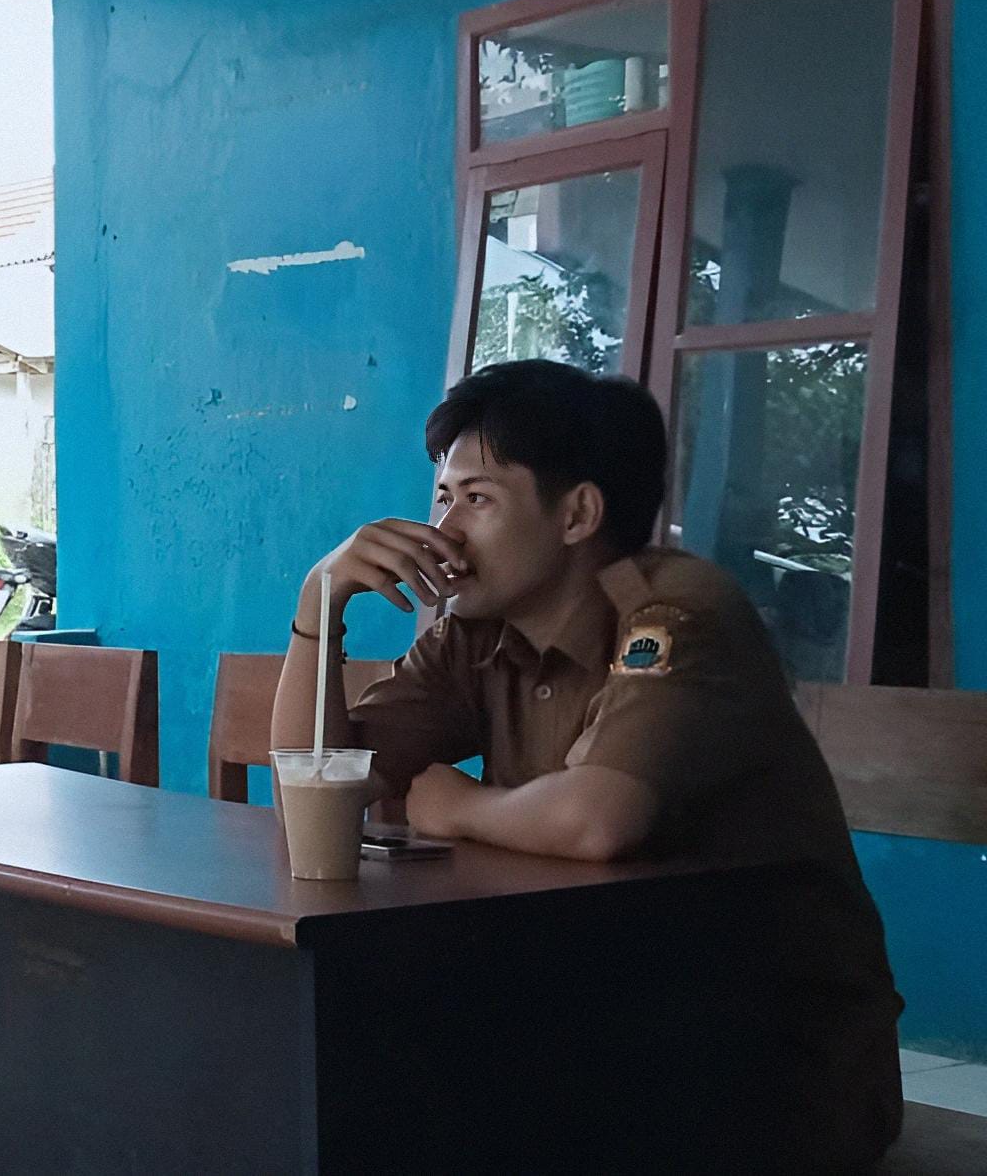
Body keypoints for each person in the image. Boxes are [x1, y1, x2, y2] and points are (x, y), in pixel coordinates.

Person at [271, 358, 904, 1171]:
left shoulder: (678, 613)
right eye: (442, 498)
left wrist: (454, 807)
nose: (444, 531)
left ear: (576, 514)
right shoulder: (475, 632)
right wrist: (318, 602)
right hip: (605, 1018)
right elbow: (312, 791)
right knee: (344, 1087)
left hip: (773, 1058)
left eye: (477, 499)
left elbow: (597, 821)